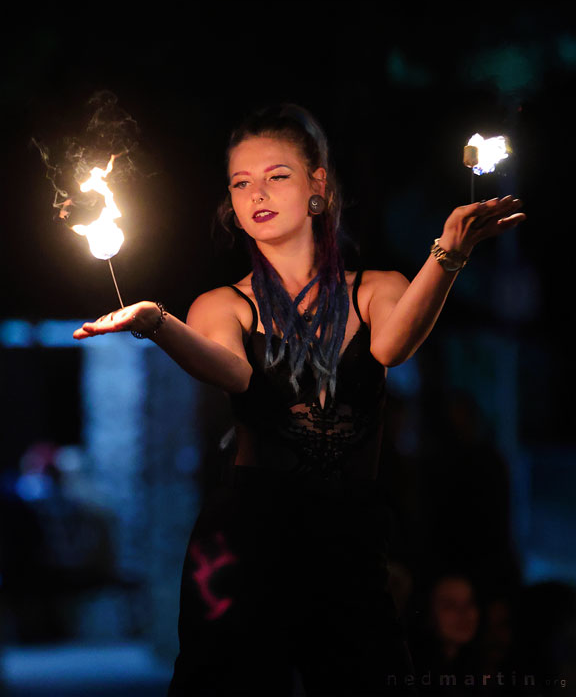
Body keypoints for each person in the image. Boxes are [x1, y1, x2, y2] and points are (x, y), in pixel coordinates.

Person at [73, 104, 525, 696]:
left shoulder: (378, 290)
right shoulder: (223, 305)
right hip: (244, 544)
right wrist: (156, 322)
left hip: (351, 539)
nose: (256, 193)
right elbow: (232, 372)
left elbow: (392, 347)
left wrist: (450, 251)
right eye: (241, 183)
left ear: (318, 185)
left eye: (276, 175)